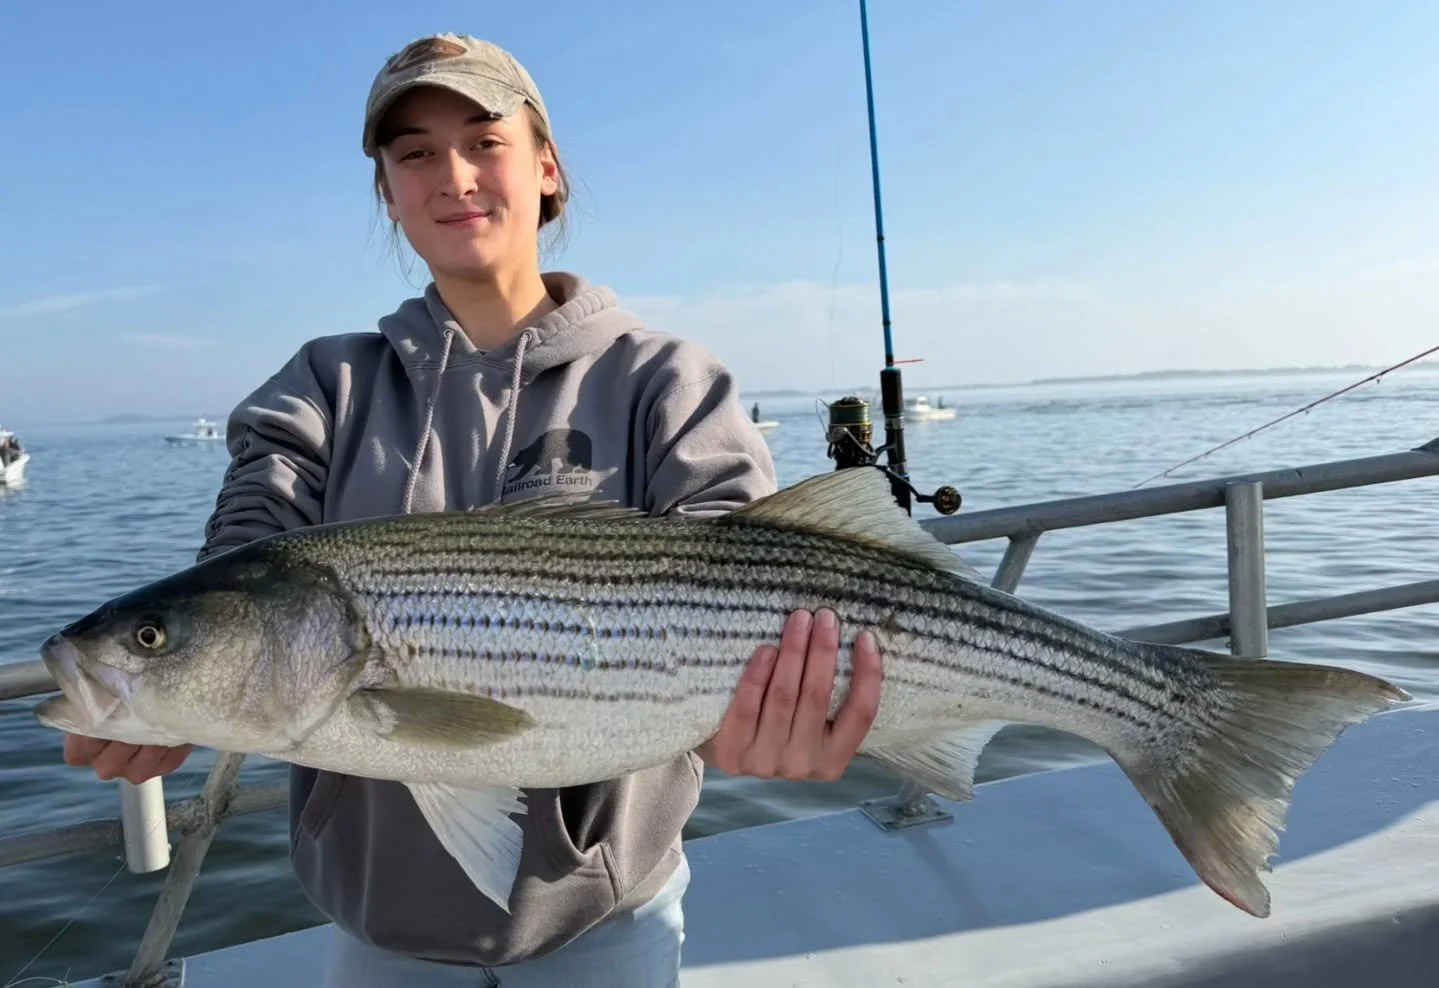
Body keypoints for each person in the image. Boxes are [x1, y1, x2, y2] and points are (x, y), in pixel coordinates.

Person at [61, 31, 883, 987]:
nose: (450, 174)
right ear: (386, 193)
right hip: (379, 930)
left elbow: (759, 577)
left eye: (483, 141)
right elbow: (248, 550)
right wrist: (170, 687)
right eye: (411, 153)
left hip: (609, 917)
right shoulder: (323, 386)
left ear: (545, 168)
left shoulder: (668, 381)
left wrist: (783, 711)